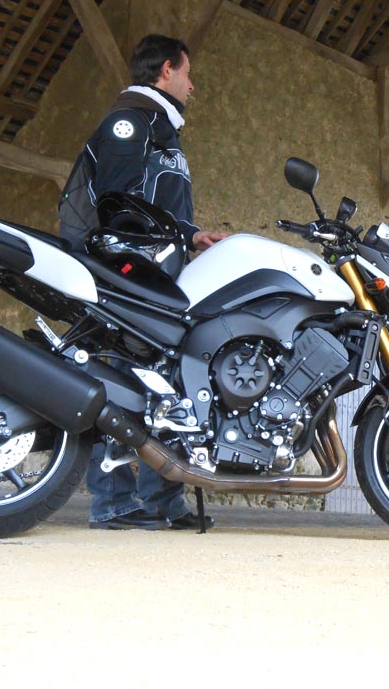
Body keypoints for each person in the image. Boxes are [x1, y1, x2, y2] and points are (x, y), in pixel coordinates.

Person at [58, 34, 226, 531]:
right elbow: (117, 205)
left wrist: (193, 237)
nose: (192, 86)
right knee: (123, 378)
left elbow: (160, 208)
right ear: (167, 70)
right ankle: (112, 502)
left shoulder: (161, 130)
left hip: (157, 271)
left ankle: (161, 500)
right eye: (188, 73)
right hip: (128, 275)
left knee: (165, 382)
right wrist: (140, 259)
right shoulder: (130, 121)